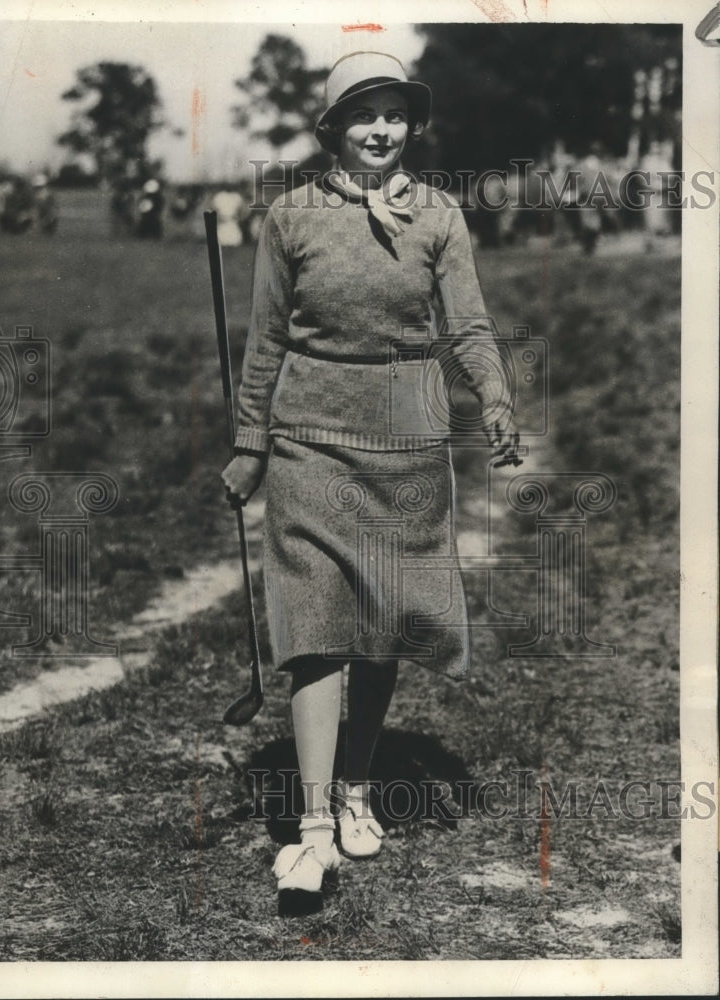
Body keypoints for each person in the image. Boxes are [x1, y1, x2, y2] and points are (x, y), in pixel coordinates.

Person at [221, 51, 521, 915]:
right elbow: (266, 339)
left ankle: (357, 784)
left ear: (411, 126)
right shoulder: (290, 217)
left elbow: (464, 324)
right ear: (331, 130)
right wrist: (250, 444)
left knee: (385, 623)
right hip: (310, 438)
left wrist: (493, 393)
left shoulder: (437, 214)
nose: (380, 130)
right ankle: (313, 827)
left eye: (393, 114)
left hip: (409, 438)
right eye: (363, 115)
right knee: (314, 626)